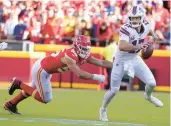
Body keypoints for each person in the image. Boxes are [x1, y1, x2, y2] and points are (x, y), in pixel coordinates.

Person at [3, 35, 113, 115]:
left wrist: (118, 65)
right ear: (76, 47)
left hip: (45, 68)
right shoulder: (70, 56)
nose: (85, 52)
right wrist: (98, 77)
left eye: (86, 49)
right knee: (45, 98)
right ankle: (18, 83)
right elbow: (79, 74)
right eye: (83, 49)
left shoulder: (80, 53)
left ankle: (11, 104)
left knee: (32, 90)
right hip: (42, 69)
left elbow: (102, 62)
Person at [99, 5, 163, 121]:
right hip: (121, 60)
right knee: (114, 90)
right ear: (129, 18)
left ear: (141, 18)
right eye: (133, 18)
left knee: (152, 83)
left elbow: (149, 31)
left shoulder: (146, 25)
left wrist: (154, 36)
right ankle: (103, 109)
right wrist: (139, 45)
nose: (134, 20)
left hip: (134, 58)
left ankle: (148, 96)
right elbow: (122, 46)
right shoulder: (125, 28)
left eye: (137, 18)